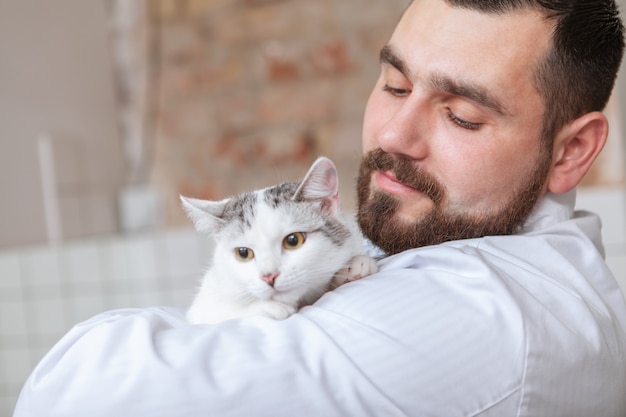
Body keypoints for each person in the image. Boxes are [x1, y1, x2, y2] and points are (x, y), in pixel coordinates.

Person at [14, 0, 626, 416]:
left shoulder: (484, 312)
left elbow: (79, 398)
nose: (392, 136)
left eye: (461, 115)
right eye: (393, 85)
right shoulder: (476, 249)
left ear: (571, 150)